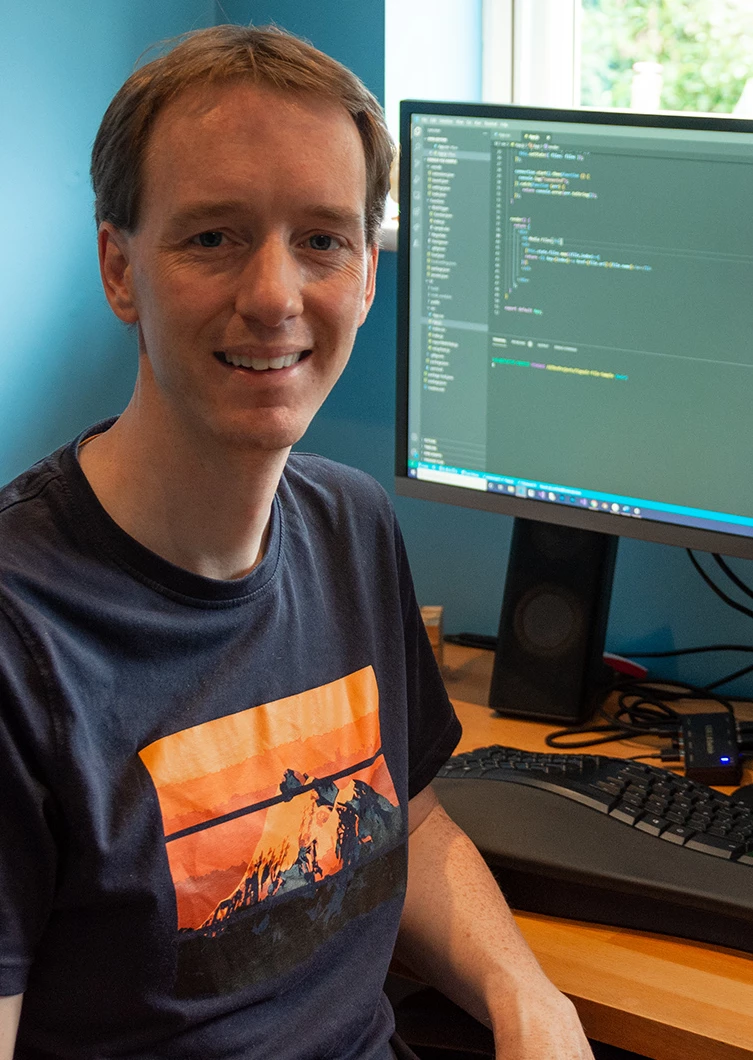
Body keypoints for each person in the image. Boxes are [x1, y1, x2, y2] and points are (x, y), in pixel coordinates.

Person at [0, 24, 594, 1060]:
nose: (275, 297)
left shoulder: (349, 522)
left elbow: (406, 819)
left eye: (321, 239)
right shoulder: (21, 636)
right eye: (212, 236)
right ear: (119, 267)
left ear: (367, 274)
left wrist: (521, 990)